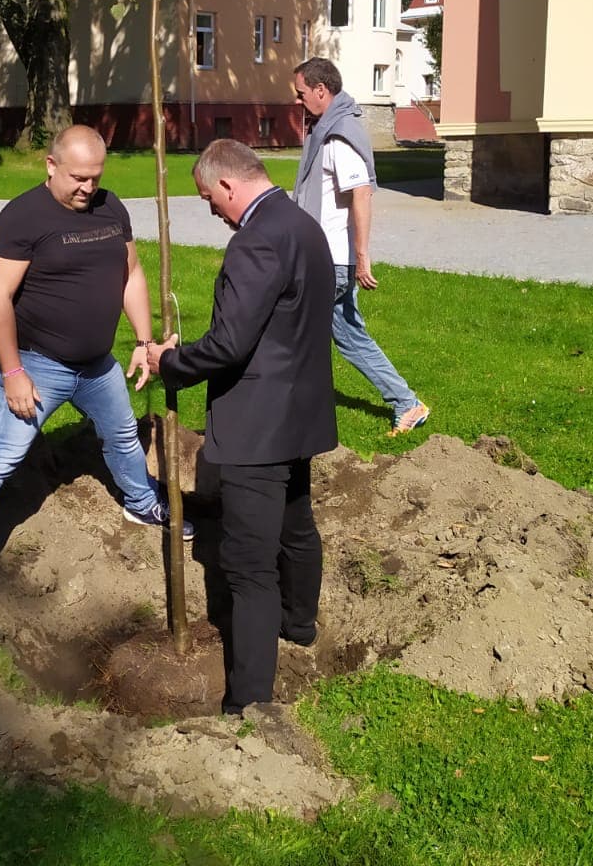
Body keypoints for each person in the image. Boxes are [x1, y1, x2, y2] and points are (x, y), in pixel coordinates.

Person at [0, 125, 189, 613]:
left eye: (95, 177)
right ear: (51, 165)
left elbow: (130, 272)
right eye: (78, 178)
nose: (88, 187)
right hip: (38, 364)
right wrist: (13, 372)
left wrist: (143, 340)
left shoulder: (111, 208)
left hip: (98, 366)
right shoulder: (23, 216)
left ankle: (141, 503)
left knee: (123, 436)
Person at [147, 139, 337, 714]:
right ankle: (298, 625)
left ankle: (249, 703)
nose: (212, 211)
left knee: (250, 568)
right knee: (296, 526)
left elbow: (229, 345)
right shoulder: (303, 225)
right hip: (300, 413)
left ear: (228, 184)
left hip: (258, 427)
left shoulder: (255, 241)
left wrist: (170, 362)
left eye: (210, 198)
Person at [292, 57, 429, 435]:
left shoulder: (340, 136)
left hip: (331, 260)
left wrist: (362, 257)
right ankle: (406, 402)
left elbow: (362, 194)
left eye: (301, 94)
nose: (298, 101)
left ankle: (293, 407)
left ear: (321, 90)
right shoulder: (327, 130)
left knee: (292, 327)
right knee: (350, 337)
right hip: (326, 257)